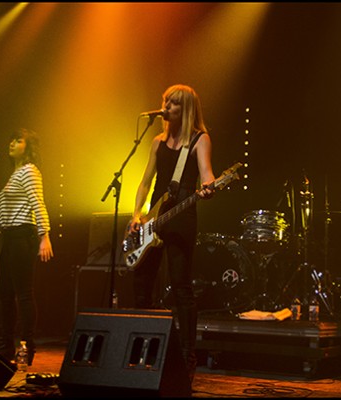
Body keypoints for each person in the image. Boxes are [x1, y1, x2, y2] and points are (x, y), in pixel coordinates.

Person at [129, 84, 215, 384]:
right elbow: (145, 181)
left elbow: (206, 173)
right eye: (165, 101)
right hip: (154, 218)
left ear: (187, 108)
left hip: (181, 218)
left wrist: (209, 186)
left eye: (174, 104)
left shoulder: (199, 140)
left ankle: (188, 355)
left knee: (181, 287)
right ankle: (143, 348)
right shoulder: (156, 141)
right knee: (141, 283)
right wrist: (137, 214)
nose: (166, 107)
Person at [0, 128, 53, 366]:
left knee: (24, 294)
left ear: (27, 148)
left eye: (18, 140)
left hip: (22, 236)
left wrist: (44, 235)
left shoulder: (29, 171)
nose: (12, 143)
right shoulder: (16, 173)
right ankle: (5, 344)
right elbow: (6, 208)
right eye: (11, 139)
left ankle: (27, 346)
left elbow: (37, 202)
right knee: (5, 295)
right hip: (10, 237)